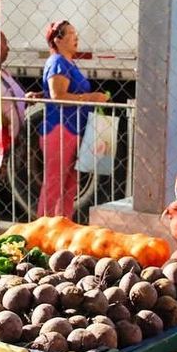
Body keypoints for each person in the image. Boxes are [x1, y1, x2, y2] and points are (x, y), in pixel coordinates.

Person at [37, 19, 108, 218]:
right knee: (54, 183)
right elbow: (58, 96)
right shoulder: (57, 62)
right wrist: (90, 98)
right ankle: (44, 226)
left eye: (75, 33)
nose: (76, 37)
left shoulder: (69, 63)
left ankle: (63, 223)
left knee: (70, 185)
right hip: (60, 129)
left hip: (75, 129)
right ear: (57, 40)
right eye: (70, 34)